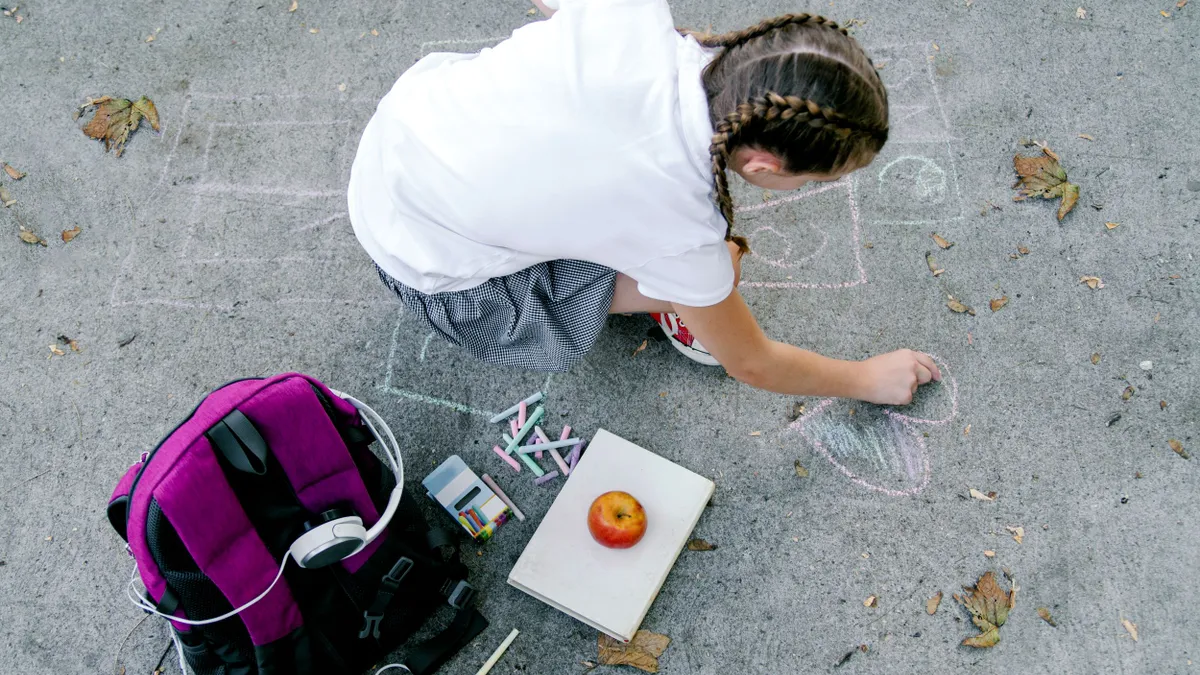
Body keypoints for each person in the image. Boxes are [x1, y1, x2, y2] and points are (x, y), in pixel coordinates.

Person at [348, 1, 941, 405]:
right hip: (430, 269)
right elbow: (752, 361)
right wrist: (865, 379)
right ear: (763, 166)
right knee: (719, 270)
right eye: (811, 180)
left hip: (394, 145)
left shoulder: (633, 11)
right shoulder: (680, 223)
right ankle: (649, 297)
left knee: (700, 267)